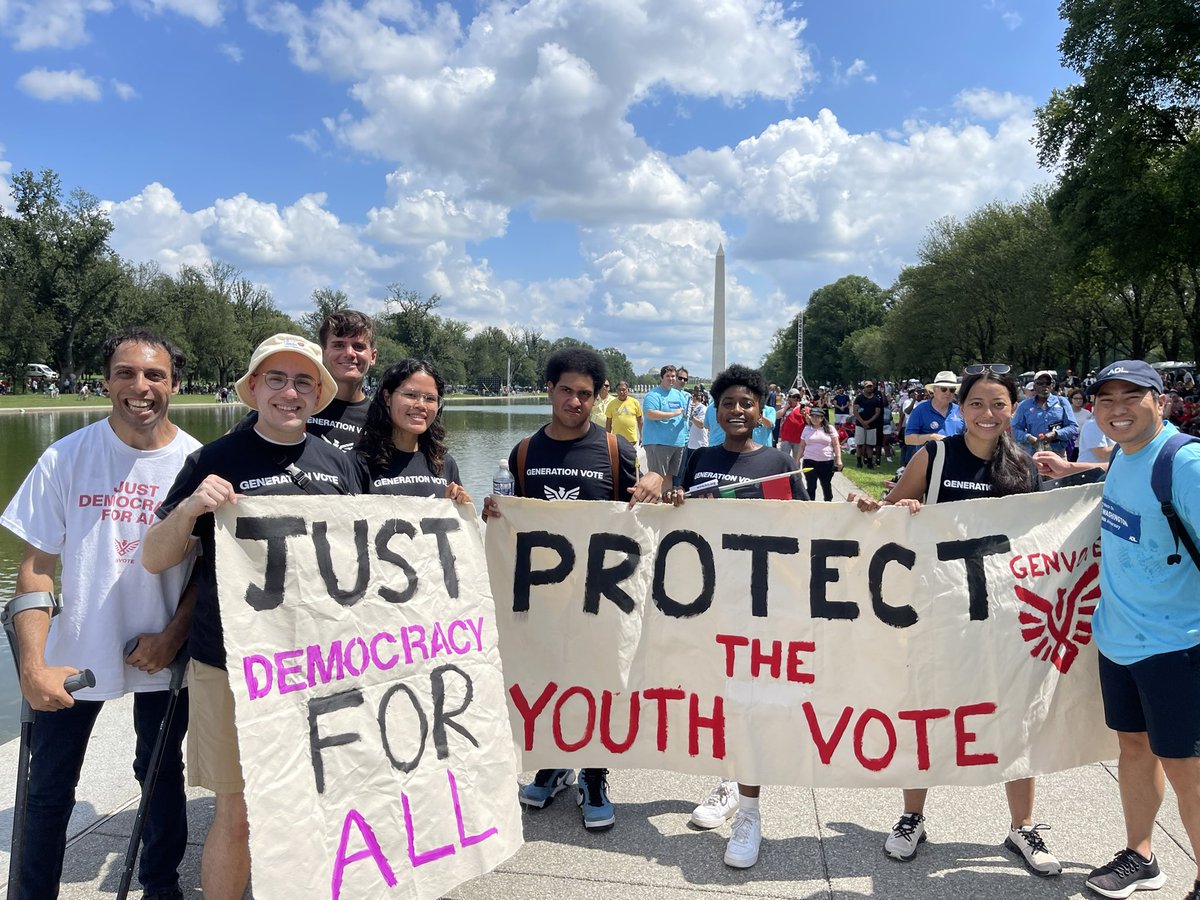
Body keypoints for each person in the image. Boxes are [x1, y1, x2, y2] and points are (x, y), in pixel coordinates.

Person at [142, 333, 364, 900]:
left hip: (321, 662)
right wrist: (192, 506)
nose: (289, 393)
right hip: (235, 663)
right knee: (237, 812)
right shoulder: (213, 459)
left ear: (318, 395)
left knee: (317, 801)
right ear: (254, 388)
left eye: (303, 383)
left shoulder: (341, 466)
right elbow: (154, 557)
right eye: (277, 380)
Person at [0, 327, 200, 900]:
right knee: (48, 788)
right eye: (126, 373)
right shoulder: (66, 456)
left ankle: (161, 886)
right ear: (107, 381)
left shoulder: (194, 461)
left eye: (155, 375)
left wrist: (173, 636)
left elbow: (209, 571)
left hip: (162, 646)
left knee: (161, 776)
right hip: (77, 648)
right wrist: (32, 666)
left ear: (174, 384)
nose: (141, 387)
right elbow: (35, 570)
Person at [849, 364, 1061, 877]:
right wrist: (888, 507)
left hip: (1003, 614)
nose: (987, 414)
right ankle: (912, 817)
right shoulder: (935, 454)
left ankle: (1022, 826)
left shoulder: (1024, 467)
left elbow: (1037, 542)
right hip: (936, 611)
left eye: (998, 405)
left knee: (1015, 715)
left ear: (1013, 410)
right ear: (960, 408)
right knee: (925, 709)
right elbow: (887, 514)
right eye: (976, 404)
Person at [1035, 360, 1200, 900]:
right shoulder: (1126, 458)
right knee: (1134, 747)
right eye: (1106, 400)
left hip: (1179, 645)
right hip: (1120, 638)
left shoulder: (1187, 462)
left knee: (1186, 766)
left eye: (1133, 396)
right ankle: (1142, 854)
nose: (1118, 409)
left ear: (1162, 401)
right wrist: (1072, 468)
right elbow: (1127, 486)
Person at [483, 348, 662, 831]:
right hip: (542, 596)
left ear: (599, 396)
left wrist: (655, 479)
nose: (575, 401)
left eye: (586, 393)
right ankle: (553, 761)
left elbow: (646, 511)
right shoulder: (524, 452)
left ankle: (595, 773)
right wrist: (492, 513)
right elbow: (512, 518)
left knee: (598, 678)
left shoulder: (615, 451)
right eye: (567, 390)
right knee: (548, 676)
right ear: (550, 389)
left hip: (600, 597)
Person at [671, 364, 807, 869]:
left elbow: (805, 529)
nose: (737, 410)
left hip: (760, 602)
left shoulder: (777, 462)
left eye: (746, 403)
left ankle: (749, 811)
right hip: (705, 598)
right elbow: (674, 520)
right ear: (715, 408)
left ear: (762, 409)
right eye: (727, 402)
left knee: (749, 698)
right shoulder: (698, 458)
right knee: (718, 696)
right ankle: (728, 783)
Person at [232, 309, 377, 452]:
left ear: (373, 356)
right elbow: (225, 448)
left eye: (358, 346)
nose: (349, 353)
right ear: (323, 354)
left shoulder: (382, 417)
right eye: (339, 345)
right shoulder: (291, 405)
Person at [355, 358, 472, 505]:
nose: (421, 405)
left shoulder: (444, 463)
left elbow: (456, 525)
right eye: (411, 395)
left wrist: (460, 504)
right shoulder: (358, 464)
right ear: (387, 398)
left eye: (430, 398)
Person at [1012, 370, 1078, 457]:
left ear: (1052, 385)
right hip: (1033, 454)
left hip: (1058, 453)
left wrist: (1056, 434)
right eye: (1040, 383)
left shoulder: (1062, 402)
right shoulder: (1024, 406)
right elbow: (1015, 429)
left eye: (1048, 383)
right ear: (1034, 386)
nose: (1044, 386)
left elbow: (1073, 428)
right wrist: (1028, 437)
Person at [903, 371, 963, 466]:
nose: (948, 393)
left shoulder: (960, 411)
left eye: (952, 389)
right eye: (944, 389)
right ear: (934, 390)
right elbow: (908, 439)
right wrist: (931, 437)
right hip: (928, 463)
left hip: (954, 463)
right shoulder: (920, 411)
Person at [641, 365, 690, 478]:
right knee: (656, 478)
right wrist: (673, 414)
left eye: (673, 376)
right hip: (659, 443)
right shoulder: (653, 395)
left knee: (669, 478)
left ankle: (665, 495)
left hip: (677, 443)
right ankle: (655, 496)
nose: (671, 378)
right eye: (667, 376)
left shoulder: (679, 395)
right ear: (661, 378)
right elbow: (650, 414)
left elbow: (685, 412)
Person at [796, 406, 843, 501]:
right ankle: (810, 505)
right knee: (811, 485)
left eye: (817, 417)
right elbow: (801, 446)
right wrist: (797, 460)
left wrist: (838, 459)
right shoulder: (807, 429)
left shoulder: (829, 428)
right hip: (809, 461)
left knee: (826, 485)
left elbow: (836, 444)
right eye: (812, 416)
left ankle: (828, 502)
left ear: (822, 418)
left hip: (826, 461)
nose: (814, 419)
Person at [852, 380, 884, 468]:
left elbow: (877, 412)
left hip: (872, 425)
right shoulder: (859, 398)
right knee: (859, 444)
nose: (870, 388)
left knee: (870, 445)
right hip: (860, 424)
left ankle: (870, 462)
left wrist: (868, 422)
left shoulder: (876, 399)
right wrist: (862, 422)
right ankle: (859, 462)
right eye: (868, 386)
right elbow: (855, 411)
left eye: (871, 386)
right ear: (864, 388)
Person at [606, 380, 643, 445]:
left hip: (632, 439)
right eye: (619, 390)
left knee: (632, 455)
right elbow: (608, 422)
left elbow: (640, 421)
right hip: (617, 440)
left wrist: (642, 436)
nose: (621, 392)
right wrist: (608, 437)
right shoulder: (611, 404)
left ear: (627, 390)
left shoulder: (635, 402)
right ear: (616, 391)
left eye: (623, 389)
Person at [777, 389, 808, 461]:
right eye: (794, 397)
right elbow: (777, 416)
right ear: (789, 397)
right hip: (786, 438)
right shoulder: (785, 408)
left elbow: (809, 422)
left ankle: (796, 472)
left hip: (798, 439)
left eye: (798, 397)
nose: (796, 399)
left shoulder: (803, 408)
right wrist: (786, 407)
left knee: (796, 460)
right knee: (784, 459)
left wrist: (805, 414)